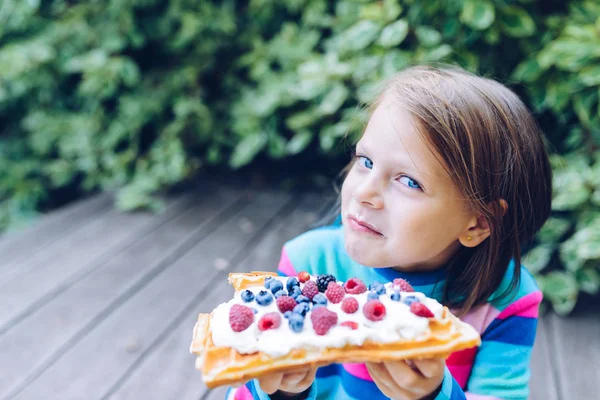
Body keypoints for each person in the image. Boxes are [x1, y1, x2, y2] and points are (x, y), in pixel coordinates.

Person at [226, 64, 552, 400]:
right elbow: (246, 384)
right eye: (365, 161)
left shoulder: (506, 300)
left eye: (409, 181)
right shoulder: (308, 262)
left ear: (478, 223)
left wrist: (434, 395)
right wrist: (281, 390)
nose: (365, 192)